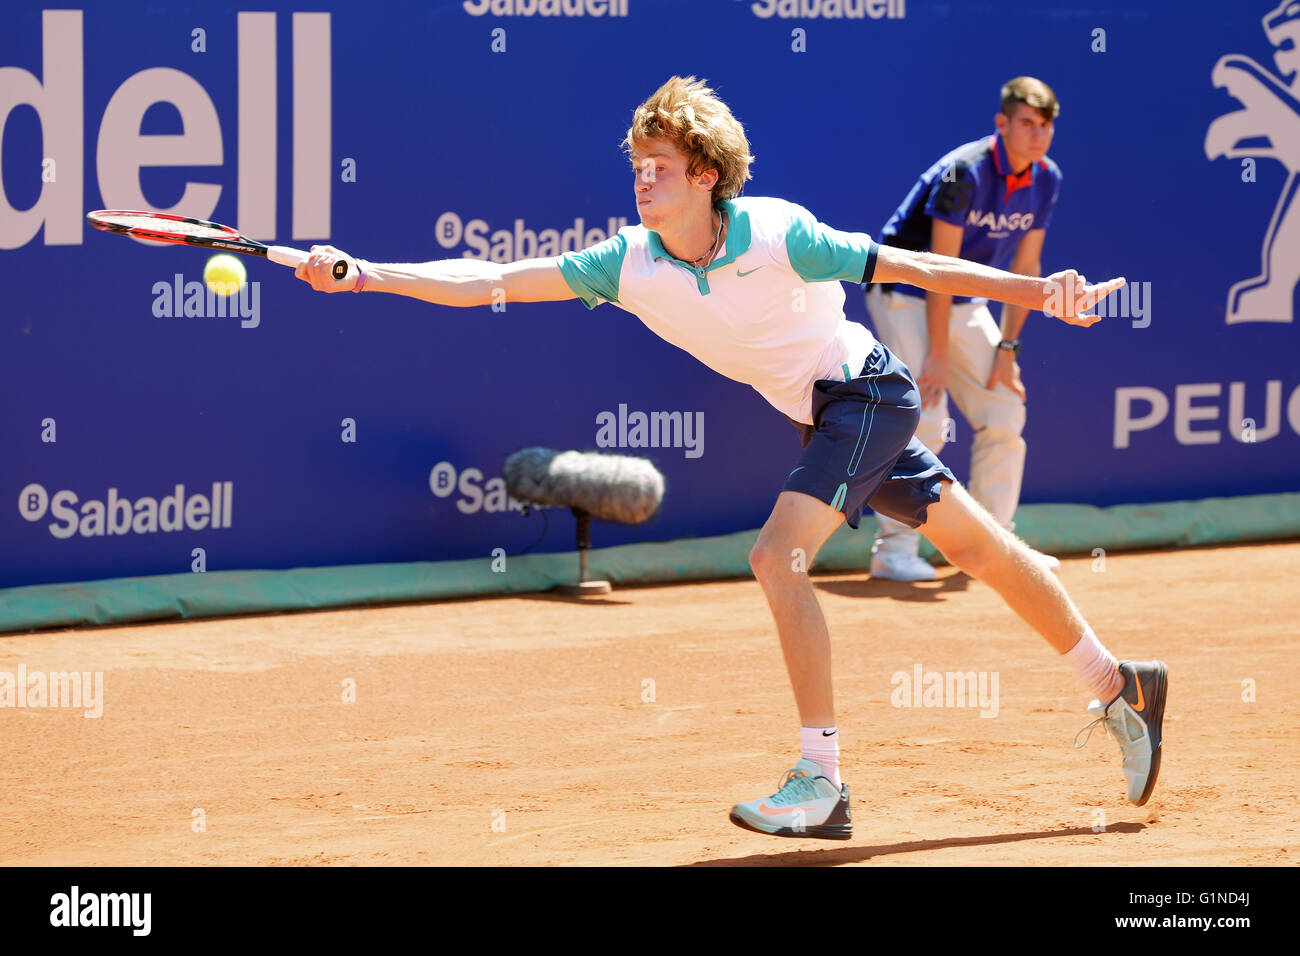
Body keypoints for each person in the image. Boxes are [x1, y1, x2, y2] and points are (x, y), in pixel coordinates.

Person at [294, 76, 1167, 840]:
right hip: (826, 414)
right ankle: (1120, 682)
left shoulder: (779, 234)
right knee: (980, 551)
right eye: (636, 167)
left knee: (775, 556)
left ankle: (822, 782)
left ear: (705, 175)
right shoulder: (627, 262)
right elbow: (487, 281)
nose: (642, 181)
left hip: (866, 395)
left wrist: (1039, 294)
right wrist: (365, 272)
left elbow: (910, 265)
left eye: (660, 168)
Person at [865, 76, 1063, 583]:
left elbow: (1029, 267)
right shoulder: (965, 172)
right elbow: (938, 267)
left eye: (1045, 126)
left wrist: (1009, 349)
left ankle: (995, 549)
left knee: (1004, 408)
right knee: (926, 416)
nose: (1037, 135)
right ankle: (894, 551)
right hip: (907, 291)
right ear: (1002, 123)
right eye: (1026, 123)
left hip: (964, 300)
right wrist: (935, 356)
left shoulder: (1046, 178)